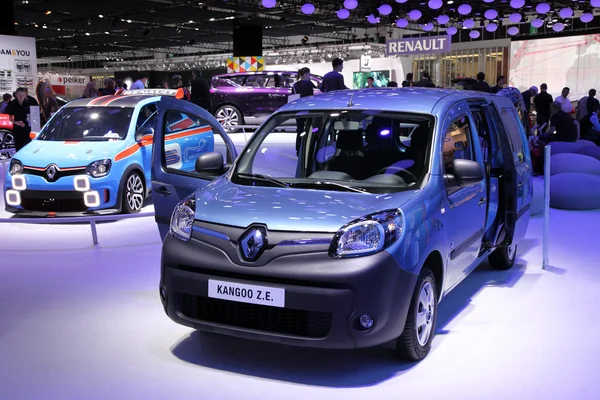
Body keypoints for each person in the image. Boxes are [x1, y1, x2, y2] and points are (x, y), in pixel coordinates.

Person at [292, 67, 315, 155]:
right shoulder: (308, 84)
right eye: (309, 74)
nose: (309, 76)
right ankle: (307, 148)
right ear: (305, 74)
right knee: (309, 129)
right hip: (307, 109)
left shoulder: (295, 85)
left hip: (298, 109)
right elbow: (311, 96)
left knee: (299, 129)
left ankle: (298, 149)